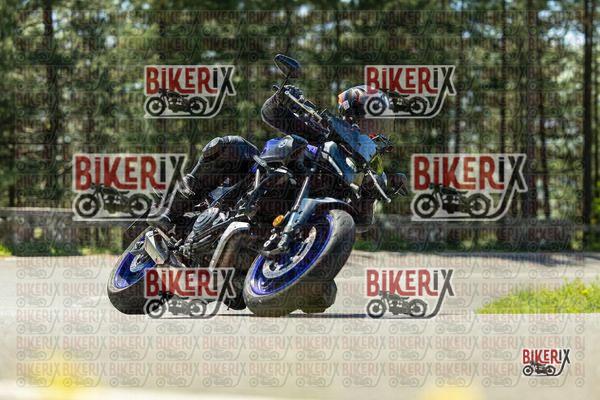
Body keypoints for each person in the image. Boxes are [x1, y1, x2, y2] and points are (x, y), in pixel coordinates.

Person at [149, 85, 404, 232]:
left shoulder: (364, 167)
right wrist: (281, 98)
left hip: (284, 224)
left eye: (380, 125)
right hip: (261, 177)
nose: (375, 131)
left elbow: (360, 223)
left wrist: (371, 195)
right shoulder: (322, 129)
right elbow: (271, 113)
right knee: (232, 146)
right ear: (352, 114)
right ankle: (172, 210)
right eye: (372, 122)